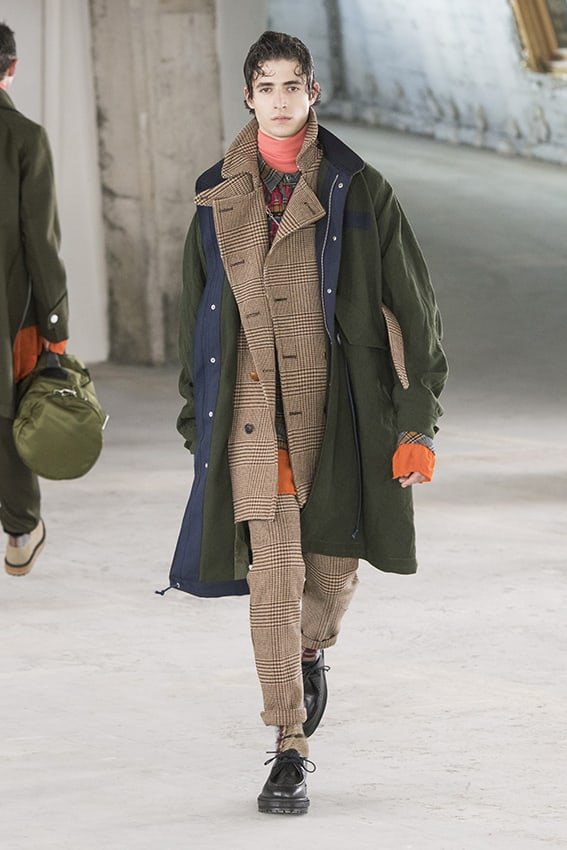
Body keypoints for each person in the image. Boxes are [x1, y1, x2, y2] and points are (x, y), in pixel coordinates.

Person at [167, 30, 448, 815]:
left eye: (294, 84)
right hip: (254, 416)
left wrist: (415, 420)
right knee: (273, 581)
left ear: (312, 92)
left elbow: (413, 310)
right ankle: (287, 744)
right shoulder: (214, 196)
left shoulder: (360, 189)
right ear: (248, 97)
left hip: (340, 409)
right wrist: (197, 420)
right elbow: (195, 315)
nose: (281, 99)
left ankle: (313, 645)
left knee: (328, 574)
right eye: (267, 86)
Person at [0, 22, 68, 576]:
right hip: (12, 313)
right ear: (12, 68)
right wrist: (55, 323)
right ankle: (21, 531)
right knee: (9, 411)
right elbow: (40, 241)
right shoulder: (24, 137)